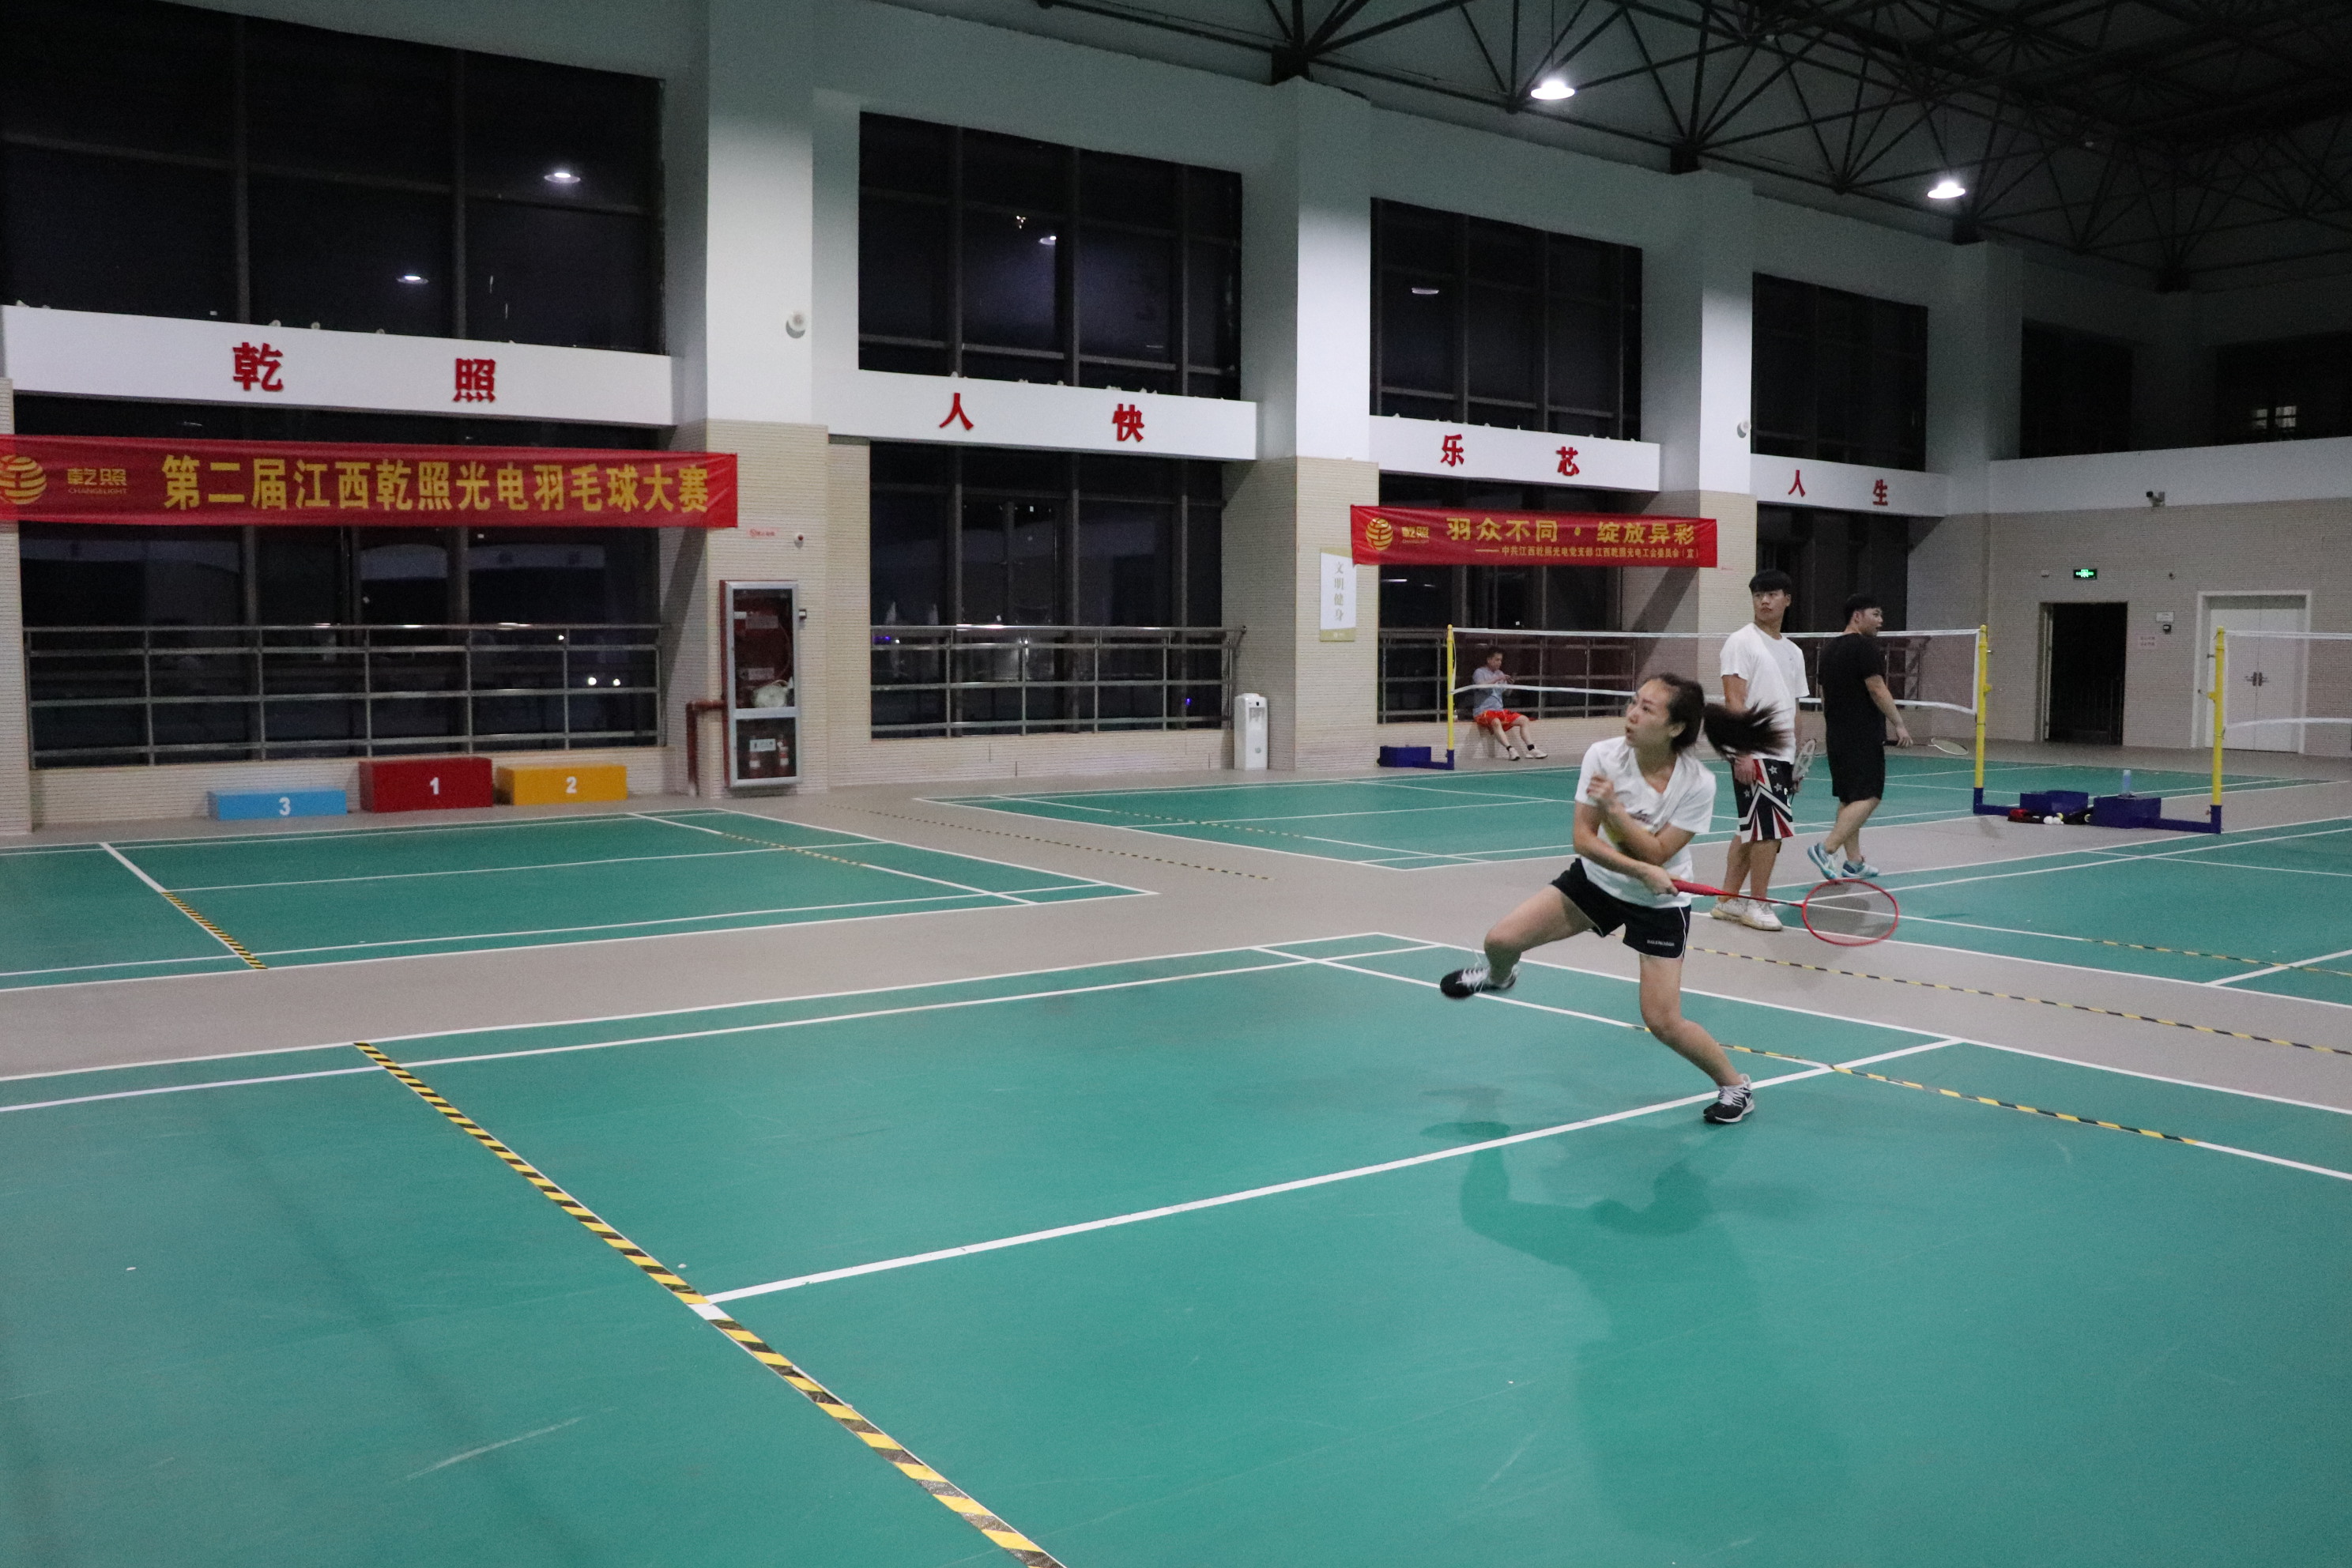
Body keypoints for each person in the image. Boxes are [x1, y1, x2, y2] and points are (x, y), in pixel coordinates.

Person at [1438, 674, 1786, 1125]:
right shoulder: (1603, 756)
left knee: (1662, 1021)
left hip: (1660, 905)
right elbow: (1584, 839)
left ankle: (1736, 1086)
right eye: (1634, 703)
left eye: (1647, 709)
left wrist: (1618, 814)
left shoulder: (1697, 783)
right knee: (1500, 941)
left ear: (1676, 727)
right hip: (1596, 884)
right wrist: (1639, 869)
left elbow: (1659, 852)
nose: (1632, 714)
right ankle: (1499, 978)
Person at [1713, 570, 1809, 931]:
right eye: (1758, 595)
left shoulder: (1793, 652)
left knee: (1751, 828)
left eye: (1771, 594)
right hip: (1755, 750)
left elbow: (1793, 707)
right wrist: (1742, 751)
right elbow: (1734, 700)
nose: (1764, 601)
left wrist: (1795, 760)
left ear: (1787, 599)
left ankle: (1727, 901)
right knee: (1768, 832)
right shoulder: (1741, 642)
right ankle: (1758, 904)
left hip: (1782, 754)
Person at [1809, 592, 1913, 880]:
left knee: (1849, 798)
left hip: (1837, 734)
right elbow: (1877, 688)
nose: (1881, 621)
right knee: (1870, 796)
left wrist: (1835, 725)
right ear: (1857, 616)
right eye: (1875, 614)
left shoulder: (1829, 649)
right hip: (1862, 735)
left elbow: (1824, 695)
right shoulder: (1864, 647)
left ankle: (1853, 862)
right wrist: (1899, 724)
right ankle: (1826, 849)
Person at [1467, 650, 1547, 760]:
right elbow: (1480, 686)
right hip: (1483, 712)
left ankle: (1532, 749)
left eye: (1501, 660)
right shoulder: (1479, 672)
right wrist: (1497, 679)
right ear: (1489, 660)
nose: (1499, 662)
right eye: (1497, 660)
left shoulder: (1500, 673)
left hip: (1499, 711)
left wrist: (1510, 685)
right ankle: (1511, 750)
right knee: (1496, 721)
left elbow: (1507, 694)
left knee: (1524, 720)